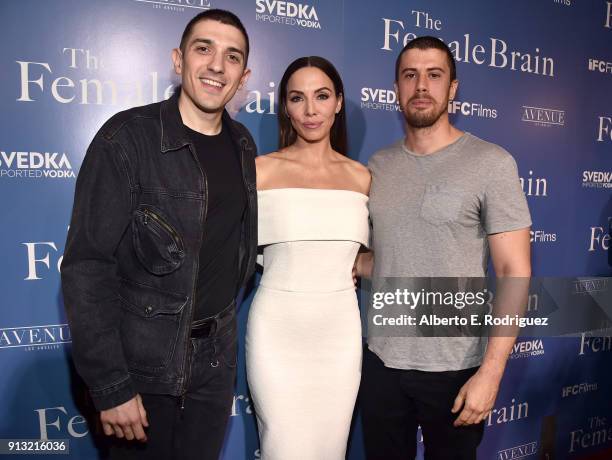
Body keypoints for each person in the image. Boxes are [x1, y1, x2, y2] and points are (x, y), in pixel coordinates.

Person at [61, 9, 257, 460]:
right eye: (203, 48)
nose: (216, 66)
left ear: (243, 76)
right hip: (141, 362)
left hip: (214, 363)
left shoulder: (243, 143)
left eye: (232, 56)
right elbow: (87, 266)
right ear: (177, 59)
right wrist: (111, 385)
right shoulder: (126, 140)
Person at [356, 36, 532, 459]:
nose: (421, 86)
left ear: (452, 88)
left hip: (456, 369)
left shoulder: (491, 163)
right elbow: (391, 255)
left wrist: (490, 373)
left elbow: (514, 272)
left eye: (434, 75)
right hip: (382, 363)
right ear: (396, 88)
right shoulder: (378, 166)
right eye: (410, 75)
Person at [245, 56, 371, 459]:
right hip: (276, 330)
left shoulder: (363, 177)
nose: (311, 110)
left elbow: (372, 257)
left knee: (330, 448)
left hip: (339, 334)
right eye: (298, 98)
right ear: (285, 106)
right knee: (282, 444)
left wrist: (357, 266)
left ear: (338, 102)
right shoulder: (259, 171)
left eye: (321, 96)